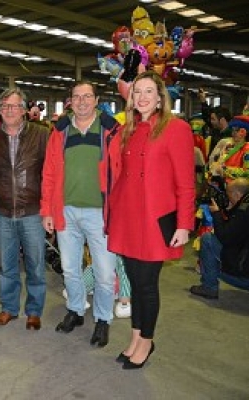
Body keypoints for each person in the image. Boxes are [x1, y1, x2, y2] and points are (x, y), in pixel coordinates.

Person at [107, 71, 195, 369]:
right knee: (133, 282)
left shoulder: (176, 128)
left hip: (154, 220)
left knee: (146, 285)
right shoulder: (128, 130)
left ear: (160, 98)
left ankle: (147, 341)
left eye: (148, 92)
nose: (142, 98)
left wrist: (184, 224)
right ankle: (135, 337)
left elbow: (186, 182)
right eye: (137, 92)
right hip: (128, 217)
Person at [41, 81, 119, 347]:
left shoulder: (109, 130)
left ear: (96, 100)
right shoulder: (59, 132)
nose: (82, 101)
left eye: (87, 96)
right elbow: (49, 174)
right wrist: (47, 210)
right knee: (70, 269)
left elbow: (119, 173)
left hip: (100, 214)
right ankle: (75, 310)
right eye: (77, 97)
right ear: (70, 101)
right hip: (67, 212)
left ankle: (102, 319)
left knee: (105, 272)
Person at [0, 87, 49, 330]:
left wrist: (47, 206)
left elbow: (50, 173)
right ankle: (9, 309)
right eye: (5, 106)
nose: (9, 110)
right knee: (7, 266)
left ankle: (34, 311)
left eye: (14, 106)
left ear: (23, 110)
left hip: (33, 211)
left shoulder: (42, 135)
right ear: (0, 110)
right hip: (2, 214)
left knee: (35, 264)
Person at [190, 178, 249, 299]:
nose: (226, 198)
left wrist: (216, 213)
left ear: (237, 195)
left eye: (228, 195)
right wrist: (231, 210)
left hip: (244, 276)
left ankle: (209, 287)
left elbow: (225, 237)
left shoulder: (244, 210)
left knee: (207, 239)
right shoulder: (244, 207)